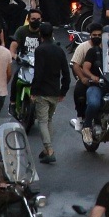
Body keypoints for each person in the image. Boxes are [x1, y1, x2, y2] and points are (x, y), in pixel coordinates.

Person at [32, 22, 70, 164]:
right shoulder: (59, 50)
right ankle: (46, 149)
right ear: (52, 34)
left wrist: (34, 90)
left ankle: (49, 150)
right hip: (55, 91)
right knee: (48, 120)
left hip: (42, 91)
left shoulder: (40, 50)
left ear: (40, 34)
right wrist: (63, 91)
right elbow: (66, 73)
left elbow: (38, 73)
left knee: (42, 121)